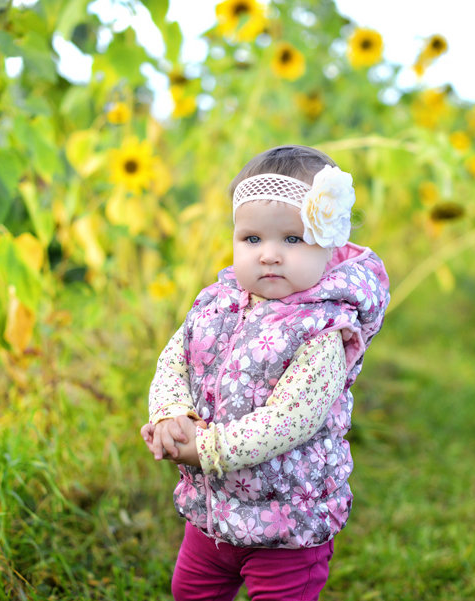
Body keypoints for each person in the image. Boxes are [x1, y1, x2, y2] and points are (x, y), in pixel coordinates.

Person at [140, 145, 390, 600]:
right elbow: (173, 361)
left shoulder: (323, 329)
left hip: (286, 522)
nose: (269, 255)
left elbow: (291, 419)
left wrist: (207, 448)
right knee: (190, 592)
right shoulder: (215, 304)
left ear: (329, 244)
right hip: (212, 513)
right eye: (252, 239)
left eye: (292, 239)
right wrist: (171, 414)